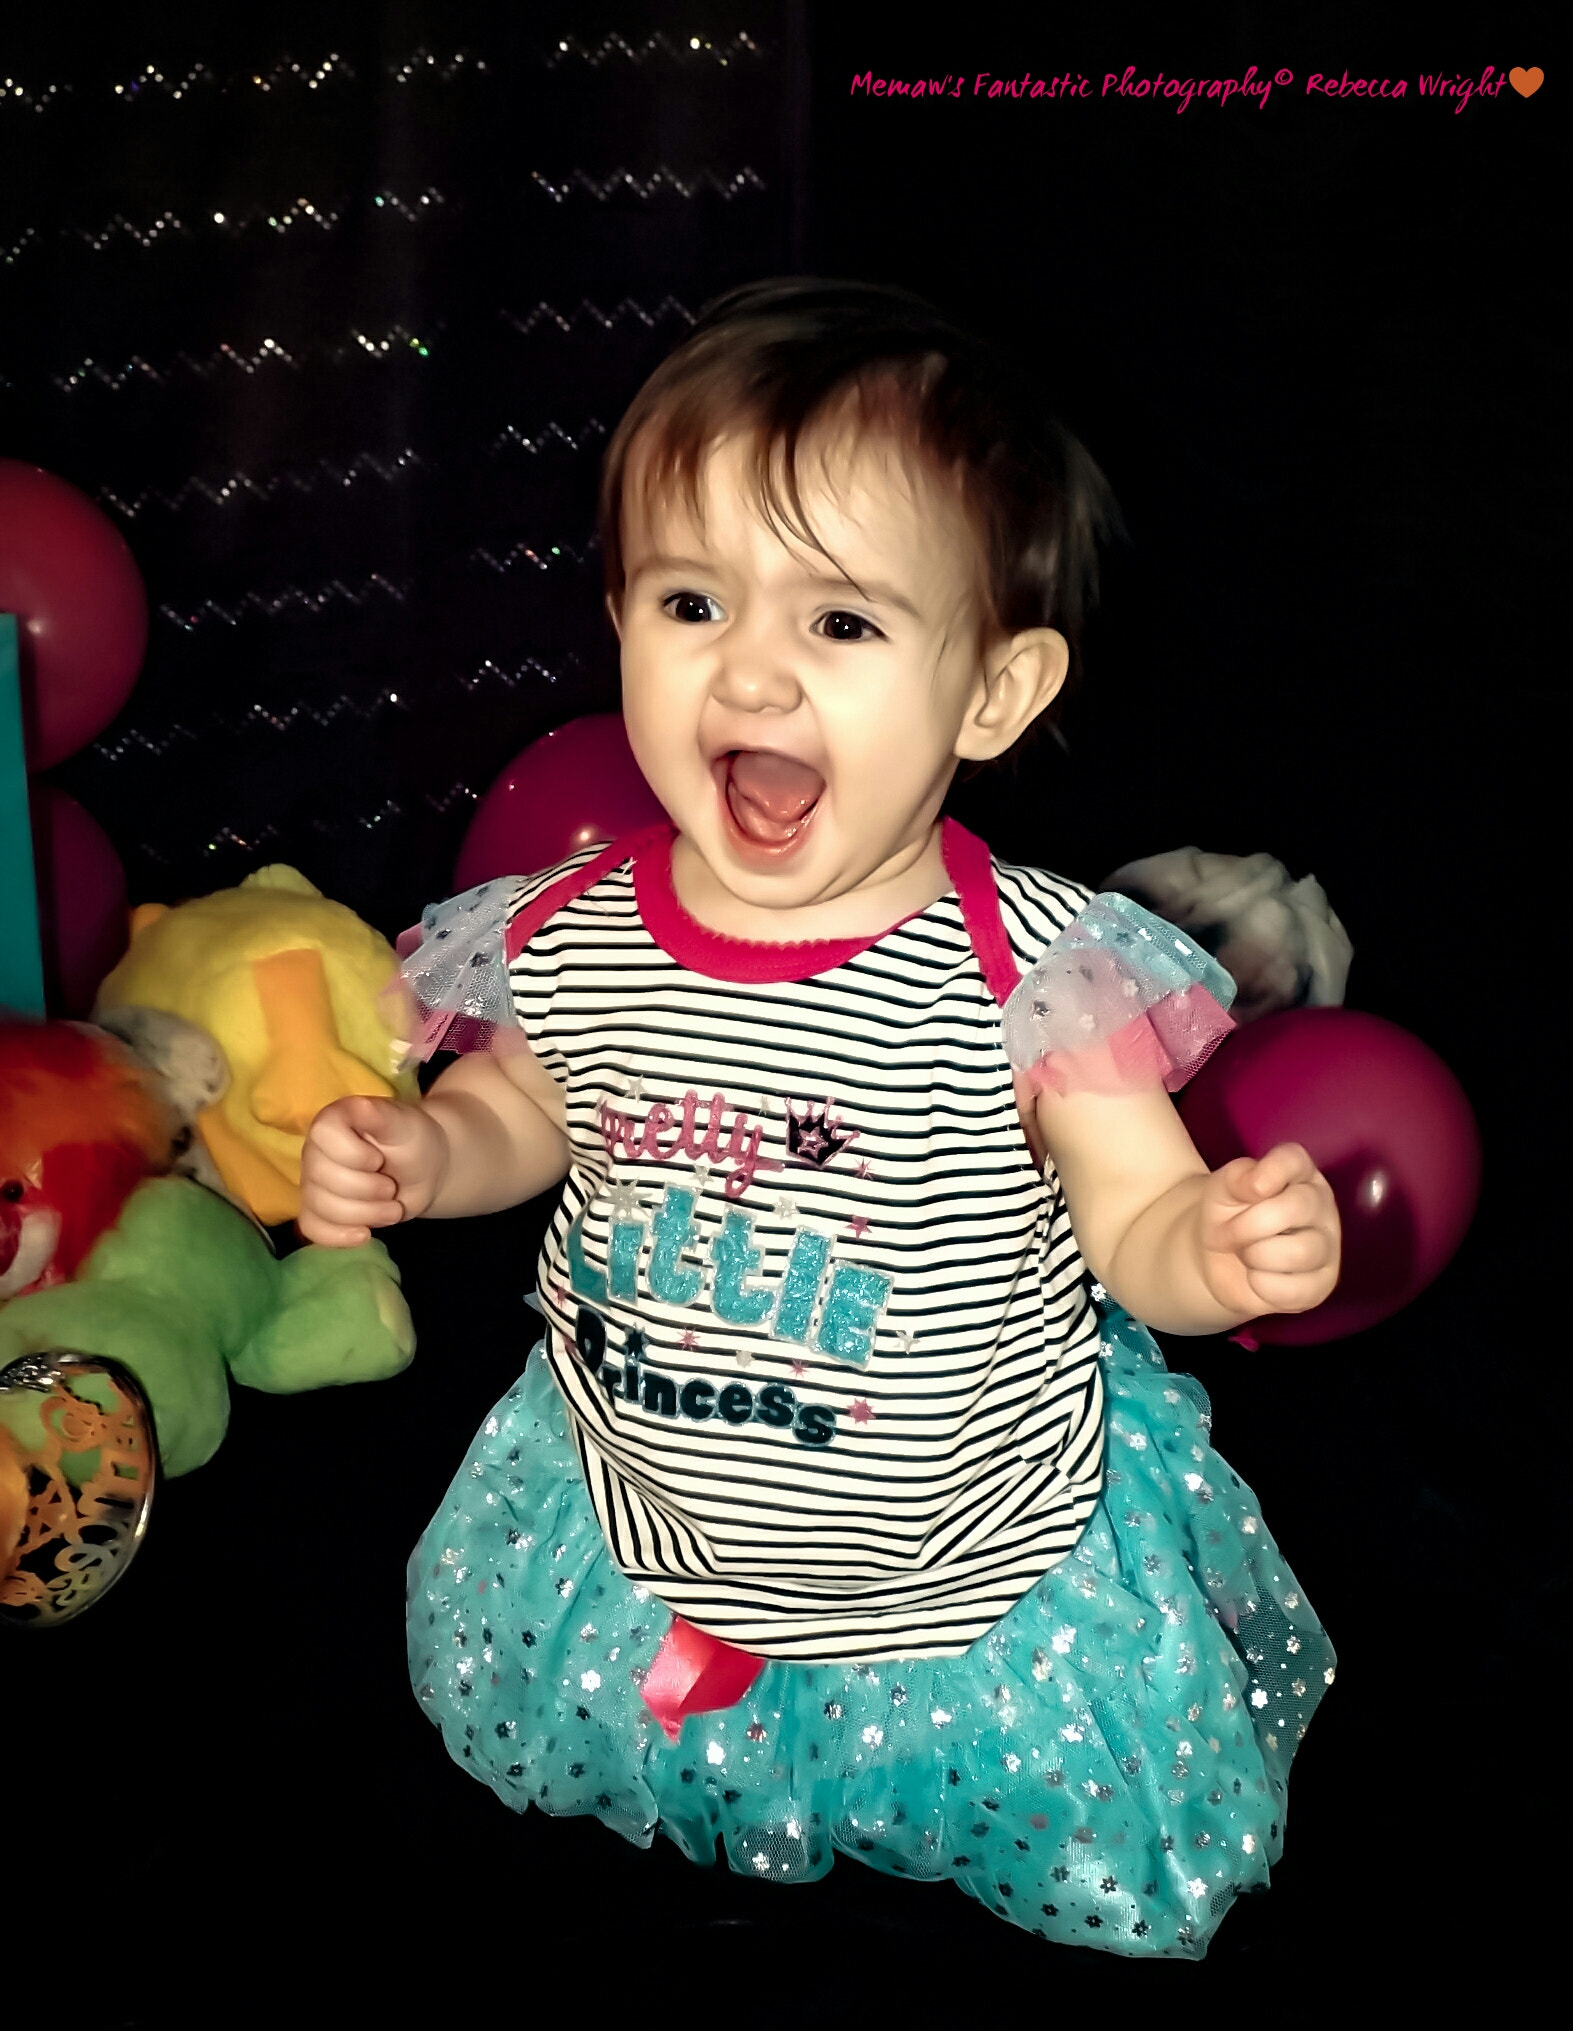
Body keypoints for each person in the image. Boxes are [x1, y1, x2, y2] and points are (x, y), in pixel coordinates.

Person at [299, 278, 1340, 1958]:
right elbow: (527, 1105)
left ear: (993, 693)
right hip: (654, 1513)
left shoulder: (1030, 969)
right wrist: (430, 1154)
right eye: (693, 600)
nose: (754, 671)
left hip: (962, 1561)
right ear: (620, 620)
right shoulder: (575, 929)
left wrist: (1213, 1249)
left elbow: (1137, 1216)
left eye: (843, 624)